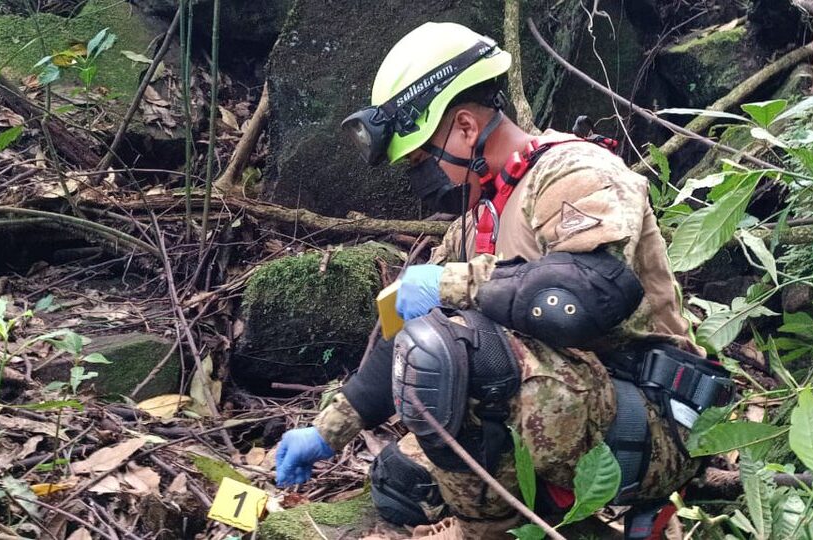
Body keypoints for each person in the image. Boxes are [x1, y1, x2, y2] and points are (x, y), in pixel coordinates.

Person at [273, 22, 730, 539]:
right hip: (562, 406)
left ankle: (556, 519)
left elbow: (584, 298)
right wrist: (329, 431)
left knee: (452, 355)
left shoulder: (576, 172)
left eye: (422, 160)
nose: (421, 179)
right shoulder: (474, 222)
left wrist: (451, 286)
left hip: (653, 421)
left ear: (466, 127)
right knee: (401, 484)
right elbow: (399, 327)